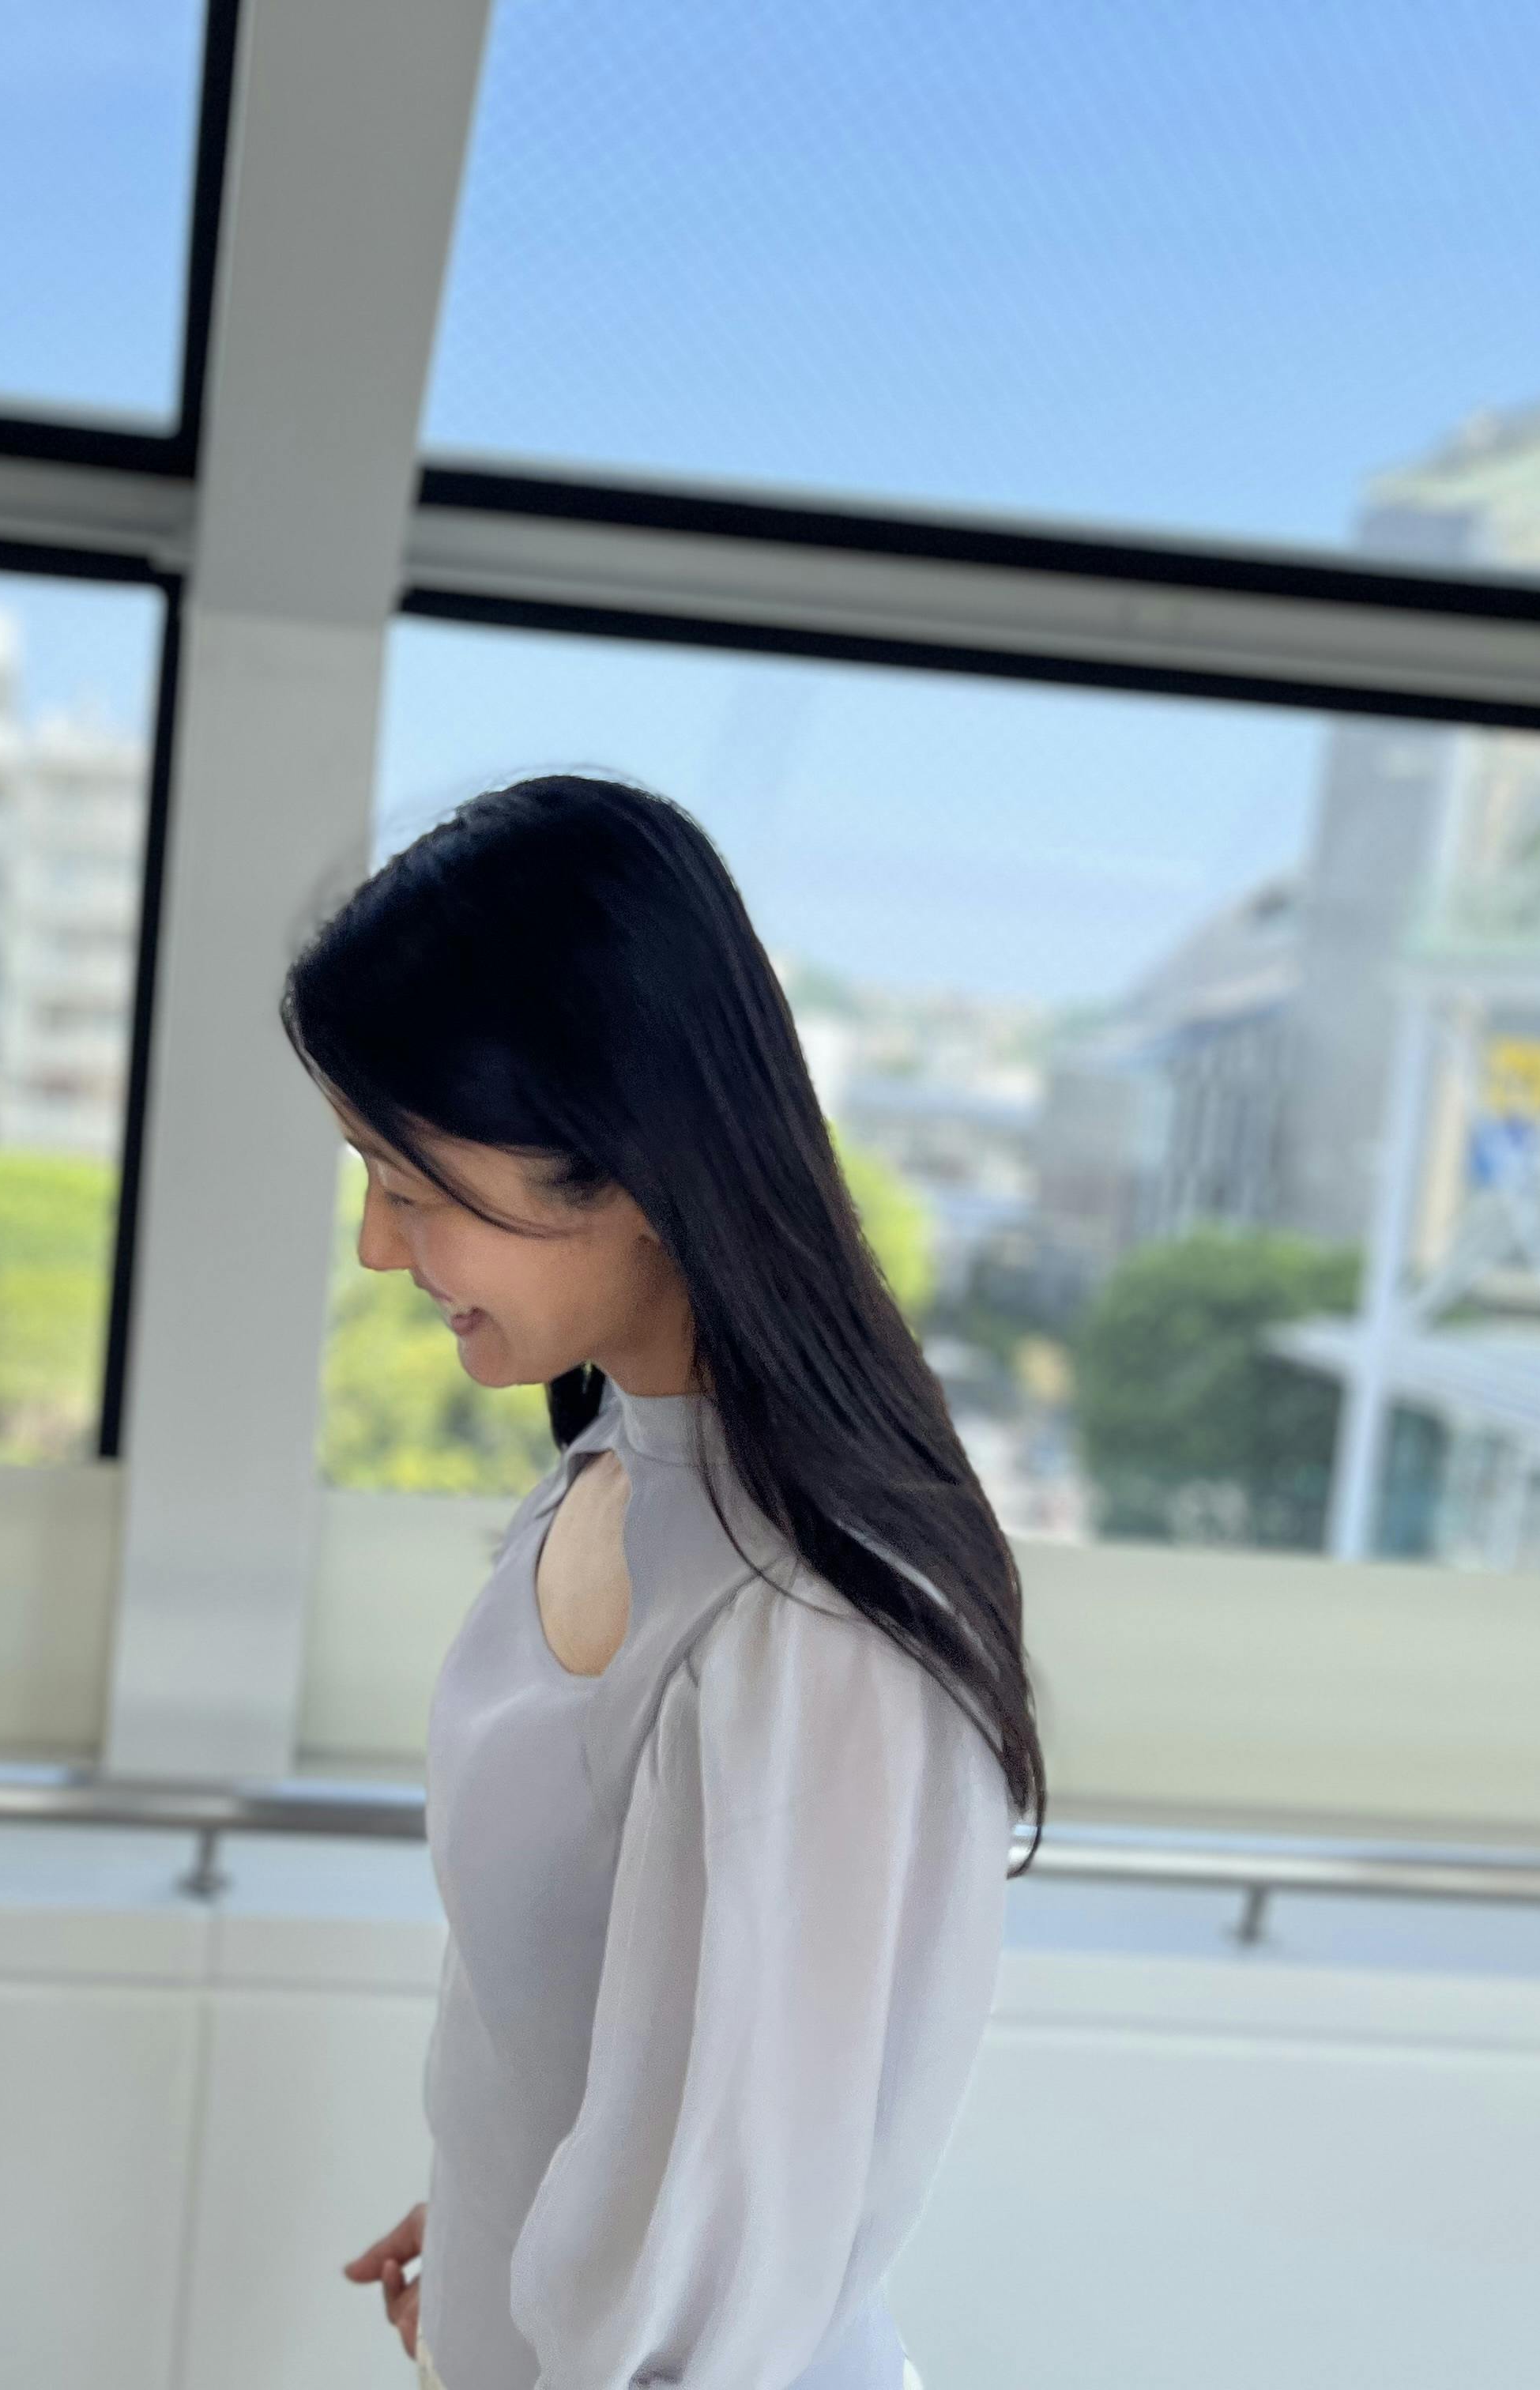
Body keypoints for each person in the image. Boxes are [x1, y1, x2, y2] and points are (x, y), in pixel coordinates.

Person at [302, 775, 1041, 2390]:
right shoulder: (611, 1468)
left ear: (623, 1161)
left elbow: (726, 2288)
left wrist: (582, 2295)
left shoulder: (810, 1632)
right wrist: (503, 2221)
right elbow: (615, 2050)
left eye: (411, 1186)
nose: (377, 1246)